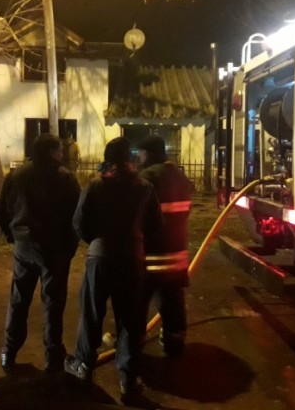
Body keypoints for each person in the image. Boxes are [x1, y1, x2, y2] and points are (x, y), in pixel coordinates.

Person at [64, 137, 162, 403]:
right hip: (132, 259)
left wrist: (97, 241)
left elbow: (79, 222)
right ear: (130, 158)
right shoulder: (145, 188)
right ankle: (128, 381)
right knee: (130, 320)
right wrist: (136, 241)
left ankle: (83, 365)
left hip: (100, 258)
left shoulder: (95, 185)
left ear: (108, 159)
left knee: (92, 313)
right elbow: (155, 224)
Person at [0, 133, 80, 373]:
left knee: (18, 300)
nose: (62, 154)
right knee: (53, 303)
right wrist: (69, 248)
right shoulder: (65, 178)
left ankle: (9, 352)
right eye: (59, 150)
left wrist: (13, 236)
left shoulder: (16, 176)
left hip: (24, 246)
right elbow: (77, 217)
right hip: (55, 249)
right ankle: (53, 357)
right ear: (52, 152)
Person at [137, 135, 192, 356]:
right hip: (176, 252)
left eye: (141, 154)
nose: (139, 158)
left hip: (151, 253)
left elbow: (138, 215)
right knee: (172, 297)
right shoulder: (179, 176)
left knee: (139, 299)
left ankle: (133, 341)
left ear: (149, 154)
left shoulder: (147, 177)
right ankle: (174, 340)